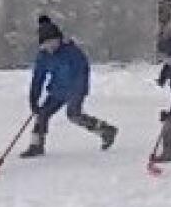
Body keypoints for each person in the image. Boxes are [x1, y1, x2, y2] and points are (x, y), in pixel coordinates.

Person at [22, 16, 117, 158]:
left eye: (53, 41)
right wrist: (34, 100)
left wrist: (77, 90)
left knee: (73, 115)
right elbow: (38, 79)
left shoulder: (71, 52)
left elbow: (82, 71)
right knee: (42, 114)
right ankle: (36, 145)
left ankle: (106, 130)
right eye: (47, 43)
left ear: (59, 39)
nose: (51, 46)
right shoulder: (43, 57)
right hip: (57, 90)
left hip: (76, 89)